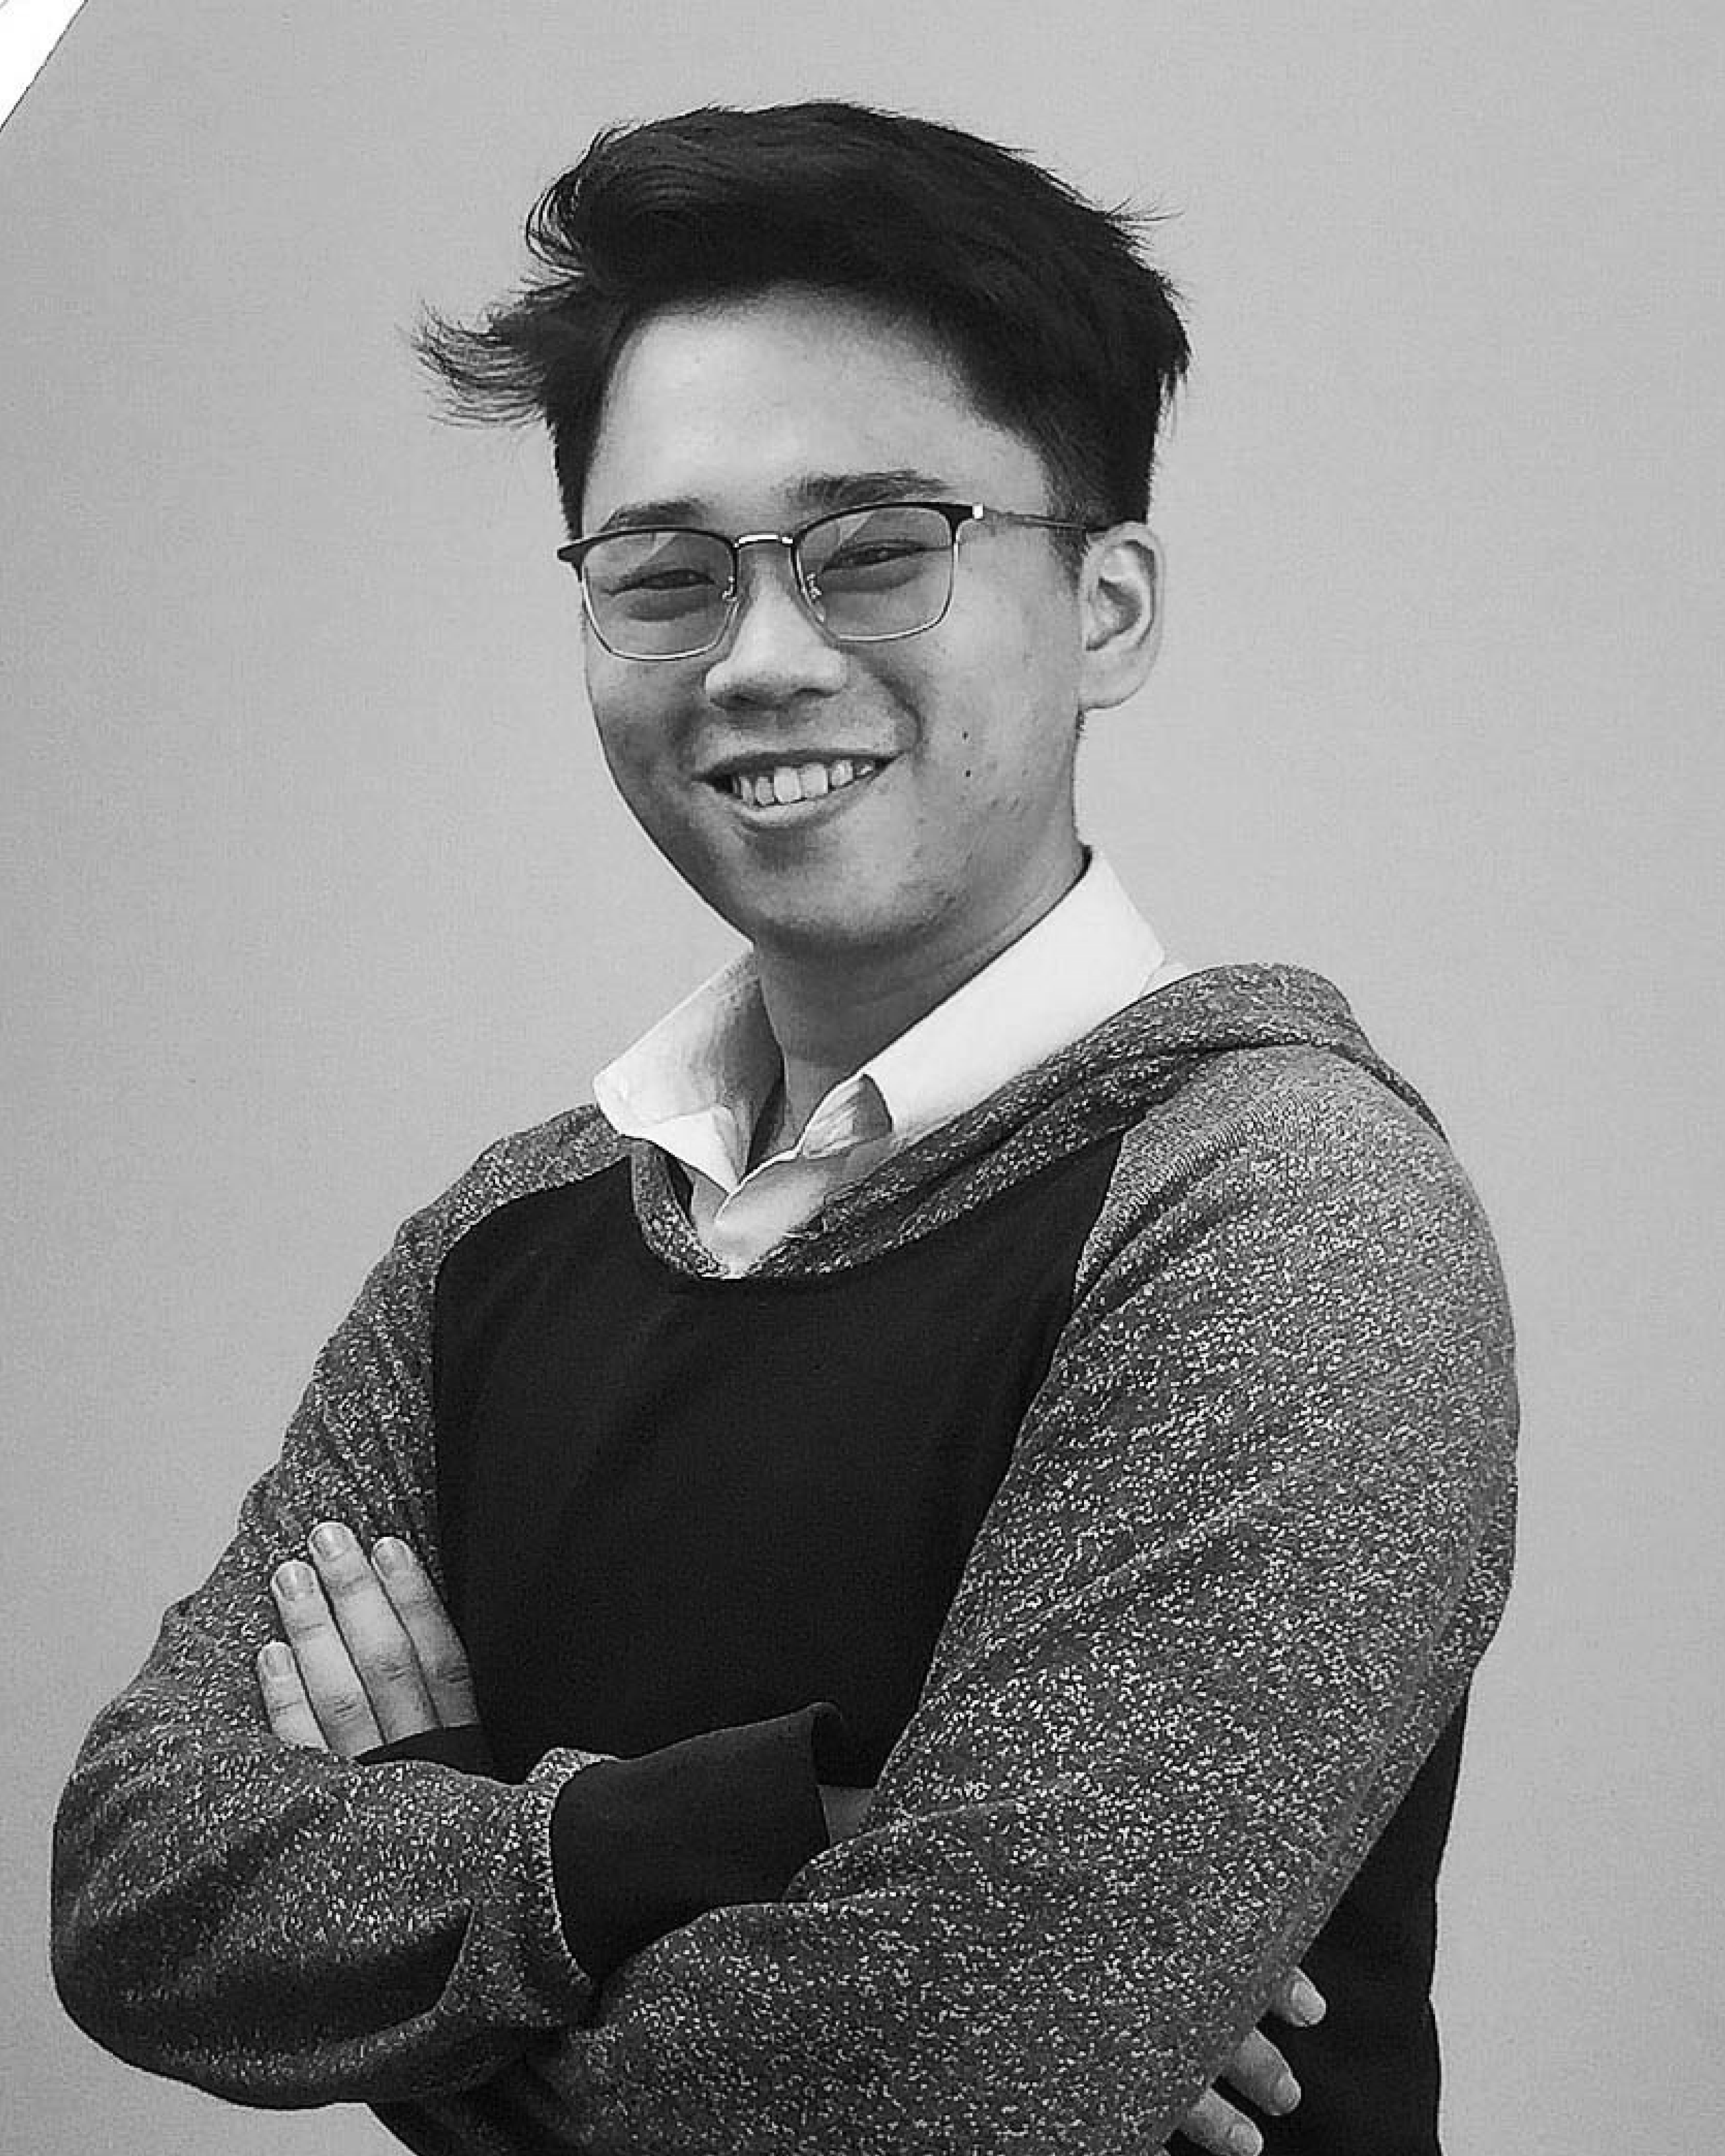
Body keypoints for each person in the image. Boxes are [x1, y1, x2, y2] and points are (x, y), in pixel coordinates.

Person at [50, 101, 1517, 2155]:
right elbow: (137, 1892)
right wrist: (711, 1838)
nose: (758, 658)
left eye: (878, 551)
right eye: (663, 576)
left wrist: (415, 1915)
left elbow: (926, 2086)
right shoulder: (505, 1239)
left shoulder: (1282, 1211)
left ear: (1107, 606)